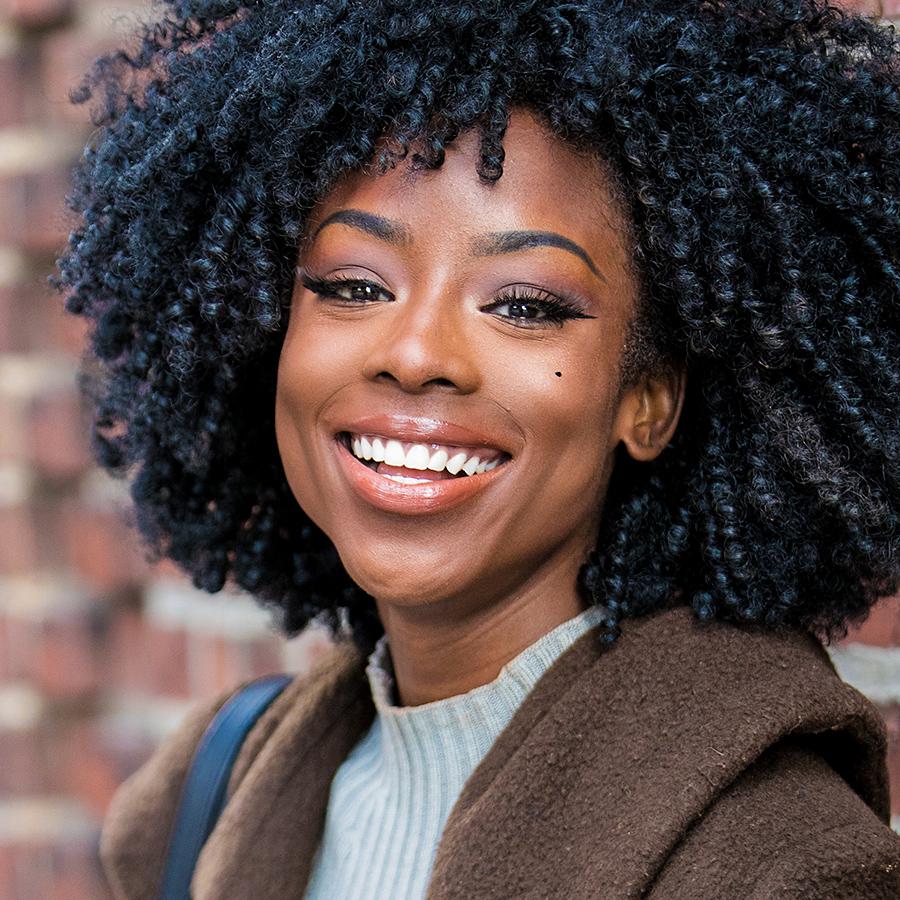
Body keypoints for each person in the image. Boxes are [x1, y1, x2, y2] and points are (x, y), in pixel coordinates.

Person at [53, 0, 900, 896]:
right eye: (352, 284)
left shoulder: (782, 866)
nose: (416, 353)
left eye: (525, 304)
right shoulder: (198, 807)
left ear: (647, 401)